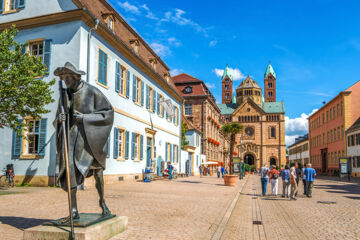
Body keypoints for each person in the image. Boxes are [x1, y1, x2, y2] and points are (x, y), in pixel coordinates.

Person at [54, 62, 114, 219]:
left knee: (98, 172)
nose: (66, 80)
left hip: (91, 140)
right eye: (63, 77)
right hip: (72, 139)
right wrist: (59, 120)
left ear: (75, 77)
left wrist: (85, 118)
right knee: (70, 172)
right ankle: (73, 209)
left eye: (68, 77)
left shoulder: (92, 91)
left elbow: (108, 113)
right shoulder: (64, 94)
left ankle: (102, 202)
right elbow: (58, 117)